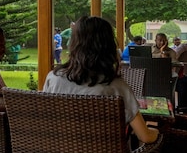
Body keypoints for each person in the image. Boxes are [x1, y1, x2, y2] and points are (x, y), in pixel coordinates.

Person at [43, 16, 159, 145]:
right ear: (108, 46)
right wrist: (157, 132)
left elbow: (45, 121)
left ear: (73, 44)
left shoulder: (53, 79)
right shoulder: (116, 87)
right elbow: (145, 136)